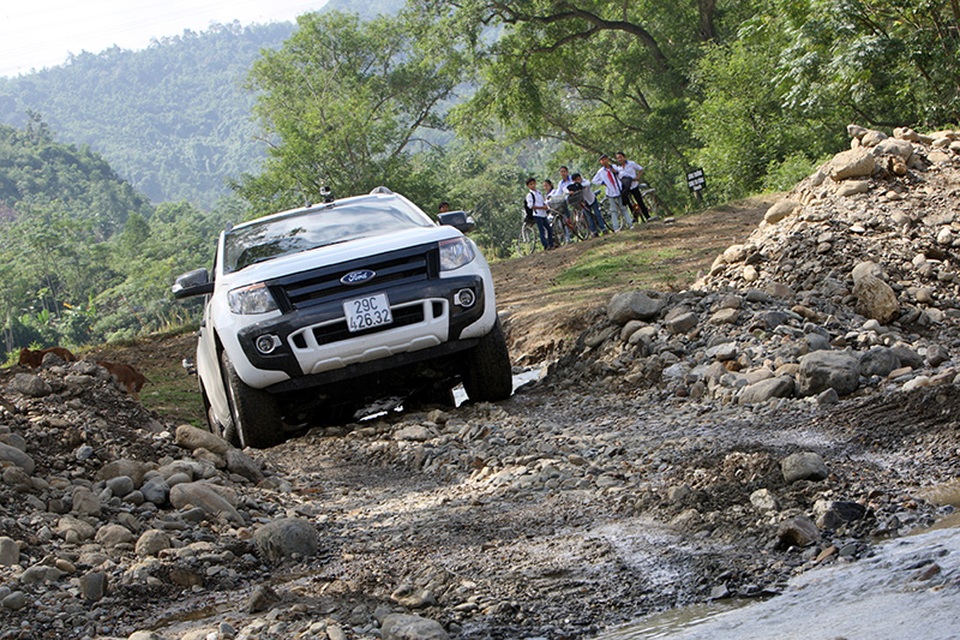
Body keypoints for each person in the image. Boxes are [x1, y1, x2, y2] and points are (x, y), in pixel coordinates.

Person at [591, 154, 631, 231]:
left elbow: (622, 173)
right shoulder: (601, 172)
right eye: (602, 160)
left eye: (605, 159)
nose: (604, 161)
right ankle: (616, 227)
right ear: (601, 162)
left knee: (623, 208)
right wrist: (602, 182)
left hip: (618, 189)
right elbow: (594, 180)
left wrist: (615, 172)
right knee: (613, 210)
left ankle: (630, 223)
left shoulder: (614, 167)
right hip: (610, 192)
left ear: (608, 159)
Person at [615, 151, 651, 223]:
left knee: (639, 201)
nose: (619, 159)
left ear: (624, 157)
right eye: (618, 158)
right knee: (628, 202)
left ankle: (647, 216)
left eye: (620, 157)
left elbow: (640, 169)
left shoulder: (631, 164)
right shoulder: (618, 168)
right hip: (626, 187)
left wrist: (637, 177)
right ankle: (635, 217)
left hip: (634, 185)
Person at [524, 177, 554, 250]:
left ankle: (551, 244)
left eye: (534, 184)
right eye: (531, 184)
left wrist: (545, 206)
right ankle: (546, 245)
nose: (533, 185)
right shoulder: (530, 195)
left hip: (543, 214)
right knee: (541, 230)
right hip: (537, 214)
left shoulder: (539, 192)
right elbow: (530, 206)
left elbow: (542, 201)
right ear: (528, 186)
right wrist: (541, 208)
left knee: (549, 229)